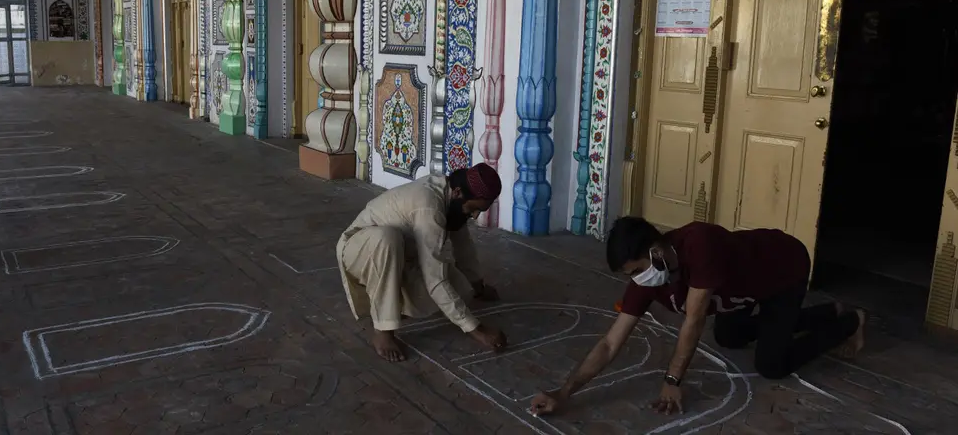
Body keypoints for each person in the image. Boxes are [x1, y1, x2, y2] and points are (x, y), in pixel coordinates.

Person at [530, 217, 865, 417]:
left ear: (656, 252)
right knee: (728, 336)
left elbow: (694, 320)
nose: (636, 280)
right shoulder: (648, 279)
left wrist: (672, 380)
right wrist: (564, 392)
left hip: (782, 269)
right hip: (740, 292)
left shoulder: (700, 244)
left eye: (636, 270)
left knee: (772, 365)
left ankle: (850, 322)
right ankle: (825, 312)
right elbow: (609, 343)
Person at [337, 163, 508, 362]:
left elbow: (464, 248)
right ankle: (383, 330)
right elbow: (434, 278)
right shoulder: (430, 205)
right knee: (388, 239)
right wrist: (477, 330)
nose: (475, 215)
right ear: (458, 192)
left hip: (401, 255)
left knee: (461, 289)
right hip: (359, 250)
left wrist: (478, 287)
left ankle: (395, 303)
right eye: (474, 209)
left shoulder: (453, 199)